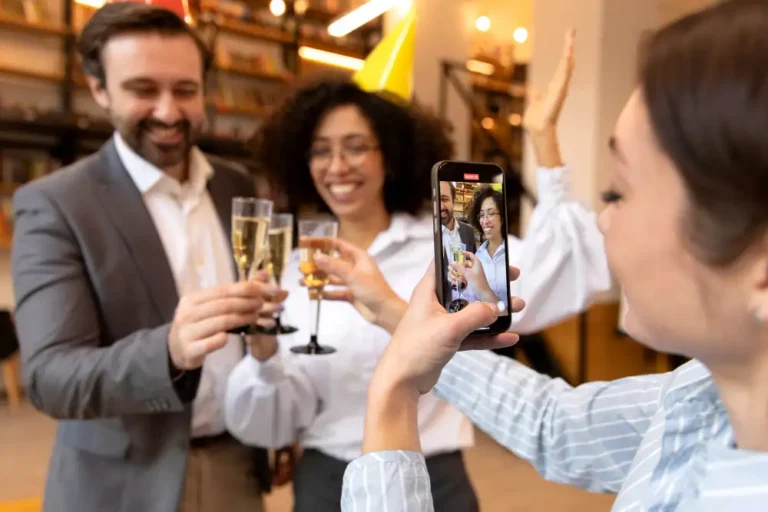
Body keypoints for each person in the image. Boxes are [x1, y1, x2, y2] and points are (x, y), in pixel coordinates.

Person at [339, 1, 768, 510]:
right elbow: (552, 422)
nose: (602, 221)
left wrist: (392, 392)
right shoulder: (699, 394)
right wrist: (395, 315)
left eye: (617, 193)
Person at [225, 30, 610, 512]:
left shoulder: (445, 245)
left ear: (390, 156)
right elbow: (276, 416)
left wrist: (543, 140)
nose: (337, 166)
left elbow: (568, 268)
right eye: (321, 150)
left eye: (356, 147)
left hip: (433, 474)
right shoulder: (295, 264)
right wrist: (261, 355)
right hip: (323, 480)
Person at [10, 4, 280, 511]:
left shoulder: (235, 185)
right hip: (121, 485)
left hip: (237, 468)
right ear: (99, 90)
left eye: (185, 90)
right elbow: (50, 378)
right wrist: (169, 351)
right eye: (142, 90)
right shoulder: (56, 203)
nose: (168, 111)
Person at [448, 186, 508, 309]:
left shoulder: (513, 252)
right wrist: (462, 284)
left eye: (491, 214)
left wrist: (483, 289)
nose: (485, 221)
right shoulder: (477, 257)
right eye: (481, 215)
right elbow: (471, 300)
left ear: (503, 216)